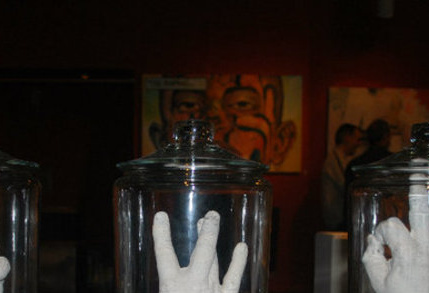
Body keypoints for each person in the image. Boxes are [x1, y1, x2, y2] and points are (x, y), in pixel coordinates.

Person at [148, 75, 297, 169]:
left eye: (242, 104)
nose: (213, 120)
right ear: (159, 138)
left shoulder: (254, 192)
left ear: (281, 142)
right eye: (189, 105)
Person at [342, 119, 392, 226]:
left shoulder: (355, 165)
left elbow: (348, 204)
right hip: (388, 223)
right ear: (386, 137)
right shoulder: (394, 165)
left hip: (360, 222)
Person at [320, 123, 362, 230]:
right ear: (347, 137)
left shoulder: (339, 159)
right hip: (336, 220)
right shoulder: (335, 160)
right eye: (357, 139)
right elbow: (346, 185)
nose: (358, 144)